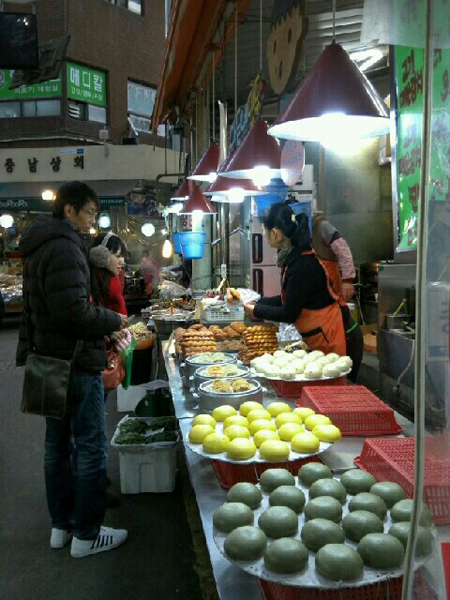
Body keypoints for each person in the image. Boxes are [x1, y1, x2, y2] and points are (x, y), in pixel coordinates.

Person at [16, 181, 129, 558]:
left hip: (48, 360)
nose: (92, 222)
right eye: (89, 214)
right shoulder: (65, 247)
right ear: (69, 211)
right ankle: (87, 533)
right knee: (90, 448)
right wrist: (114, 320)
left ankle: (61, 526)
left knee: (57, 446)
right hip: (76, 363)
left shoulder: (38, 246)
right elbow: (74, 313)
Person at [243, 202, 363, 382]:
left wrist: (256, 310)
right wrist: (257, 301)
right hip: (324, 337)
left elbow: (289, 312)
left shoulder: (301, 265)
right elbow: (289, 299)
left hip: (340, 338)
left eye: (264, 232)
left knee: (335, 399)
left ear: (275, 234)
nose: (264, 237)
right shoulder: (295, 258)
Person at [312, 212, 356, 302]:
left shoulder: (322, 226)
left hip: (331, 284)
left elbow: (343, 250)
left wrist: (348, 280)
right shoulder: (296, 229)